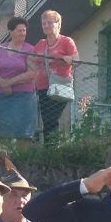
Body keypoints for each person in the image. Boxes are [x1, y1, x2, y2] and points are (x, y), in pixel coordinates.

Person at [33, 9, 79, 142]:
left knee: (51, 118)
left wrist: (67, 58)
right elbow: (31, 60)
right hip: (43, 87)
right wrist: (34, 70)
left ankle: (52, 146)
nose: (46, 25)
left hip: (60, 85)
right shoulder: (41, 44)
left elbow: (77, 60)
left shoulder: (66, 41)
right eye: (44, 23)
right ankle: (51, 147)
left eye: (49, 22)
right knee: (47, 119)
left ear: (58, 24)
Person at [0, 17, 38, 140]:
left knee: (24, 133)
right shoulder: (0, 48)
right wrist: (2, 83)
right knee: (3, 131)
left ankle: (22, 153)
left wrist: (8, 83)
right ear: (11, 32)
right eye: (20, 31)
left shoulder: (30, 49)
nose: (23, 33)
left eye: (24, 30)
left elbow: (32, 73)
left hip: (24, 96)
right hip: (3, 96)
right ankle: (4, 153)